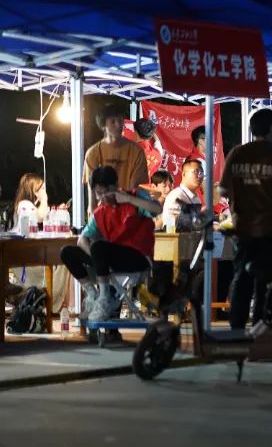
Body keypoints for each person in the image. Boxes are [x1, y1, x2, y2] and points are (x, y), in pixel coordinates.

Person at [220, 109, 272, 331]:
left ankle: (237, 328)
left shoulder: (237, 153)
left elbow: (223, 190)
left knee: (242, 278)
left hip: (243, 229)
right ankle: (261, 328)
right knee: (267, 283)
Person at [60, 166, 161, 330]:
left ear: (114, 187)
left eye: (104, 193)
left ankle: (105, 297)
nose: (101, 197)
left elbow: (157, 209)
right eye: (97, 193)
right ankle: (94, 295)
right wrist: (97, 259)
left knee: (99, 246)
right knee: (67, 252)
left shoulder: (135, 197)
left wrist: (128, 199)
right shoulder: (100, 212)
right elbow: (82, 240)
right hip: (112, 258)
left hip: (139, 257)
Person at [83, 103, 148, 211]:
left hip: (127, 211)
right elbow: (92, 189)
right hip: (102, 211)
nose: (118, 125)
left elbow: (134, 187)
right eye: (113, 121)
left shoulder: (137, 152)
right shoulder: (93, 153)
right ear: (103, 125)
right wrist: (93, 212)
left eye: (120, 120)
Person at [162, 159, 204, 228]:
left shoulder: (197, 199)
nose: (199, 176)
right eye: (196, 172)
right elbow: (169, 225)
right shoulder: (176, 196)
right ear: (184, 174)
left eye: (201, 172)